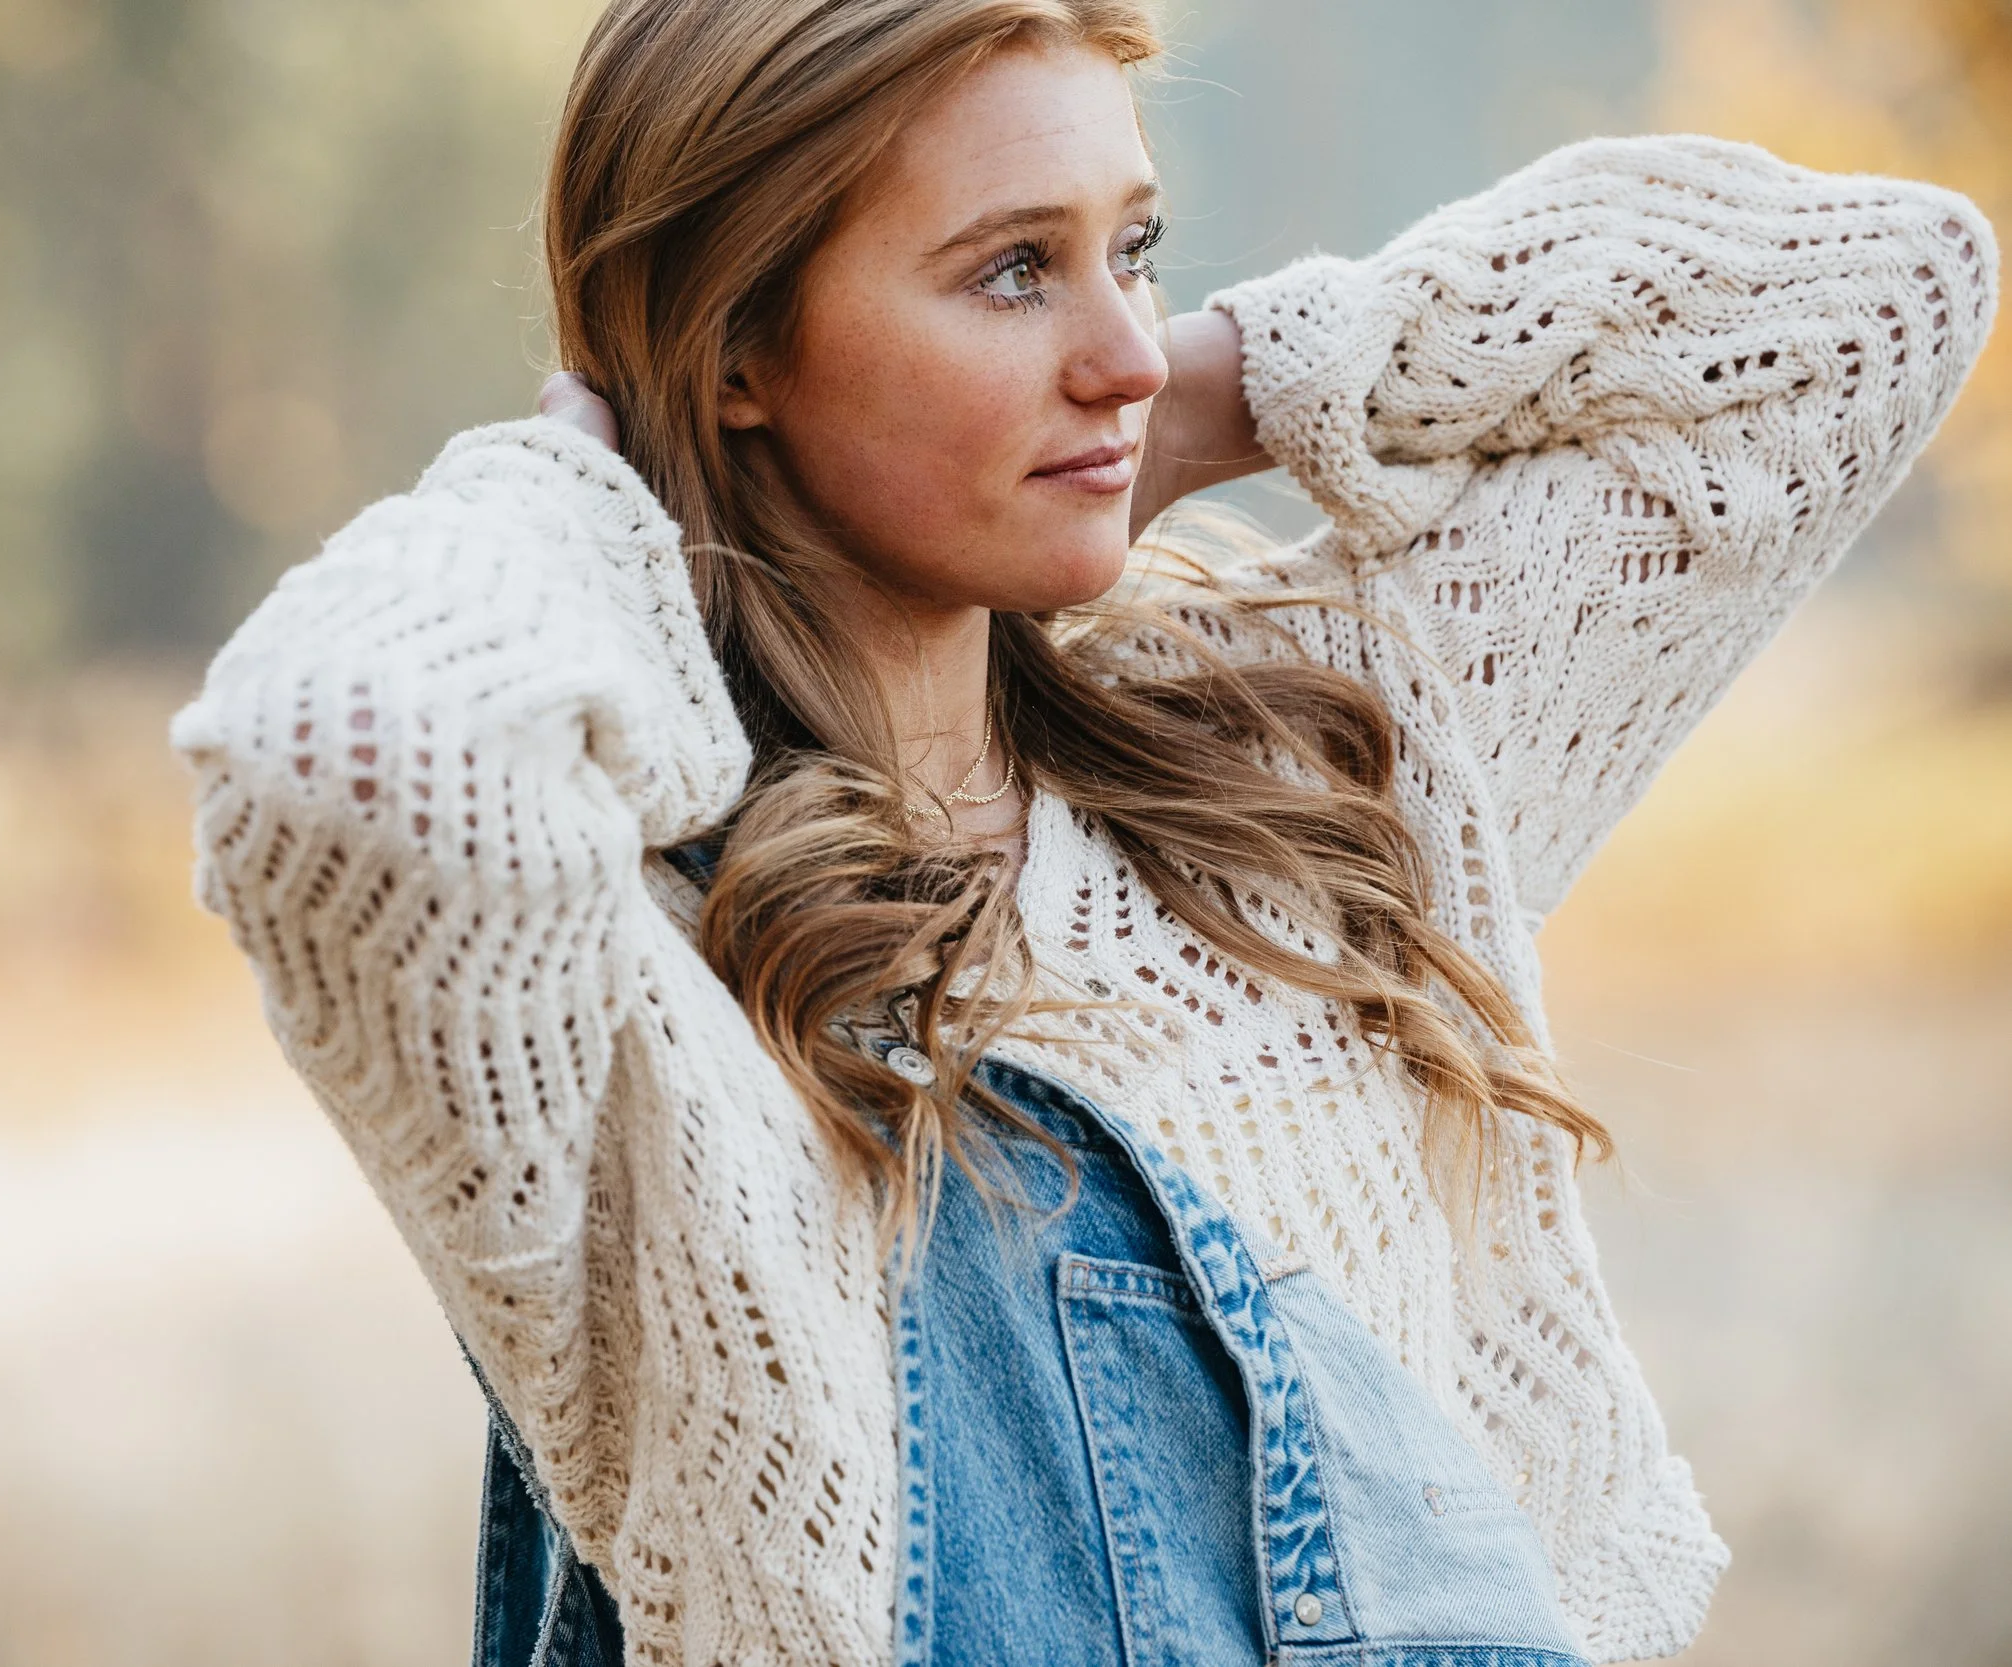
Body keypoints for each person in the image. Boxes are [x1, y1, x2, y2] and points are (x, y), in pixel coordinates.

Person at [171, 2, 1997, 1663]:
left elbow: (1880, 294)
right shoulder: (644, 1015)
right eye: (1009, 274)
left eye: (1132, 247)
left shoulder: (1309, 786)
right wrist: (592, 483)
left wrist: (1214, 395)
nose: (1118, 349)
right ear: (736, 349)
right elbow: (340, 762)